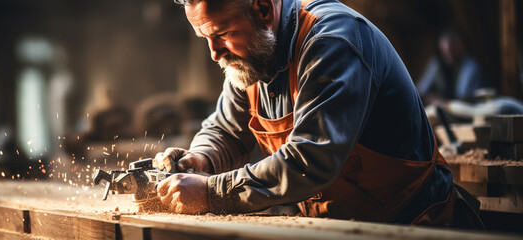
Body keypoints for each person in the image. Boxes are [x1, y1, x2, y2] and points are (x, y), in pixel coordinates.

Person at [153, 0, 482, 228]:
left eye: (222, 33)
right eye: (206, 38)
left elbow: (309, 161)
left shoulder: (333, 41)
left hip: (414, 222)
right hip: (337, 226)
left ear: (264, 9)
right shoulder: (251, 55)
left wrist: (211, 193)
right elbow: (224, 130)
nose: (214, 53)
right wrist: (200, 159)